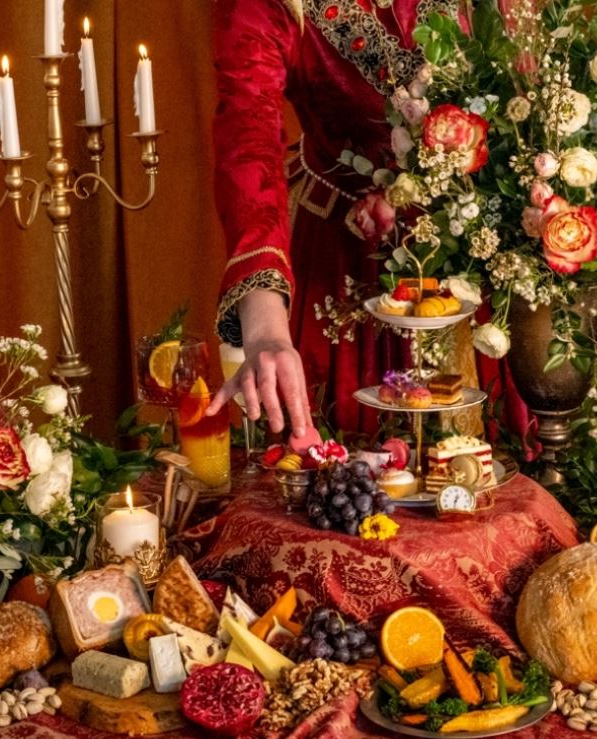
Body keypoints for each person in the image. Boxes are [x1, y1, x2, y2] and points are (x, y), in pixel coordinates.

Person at [204, 0, 496, 441]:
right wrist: (265, 327)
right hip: (342, 265)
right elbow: (248, 135)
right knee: (346, 465)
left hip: (473, 262)